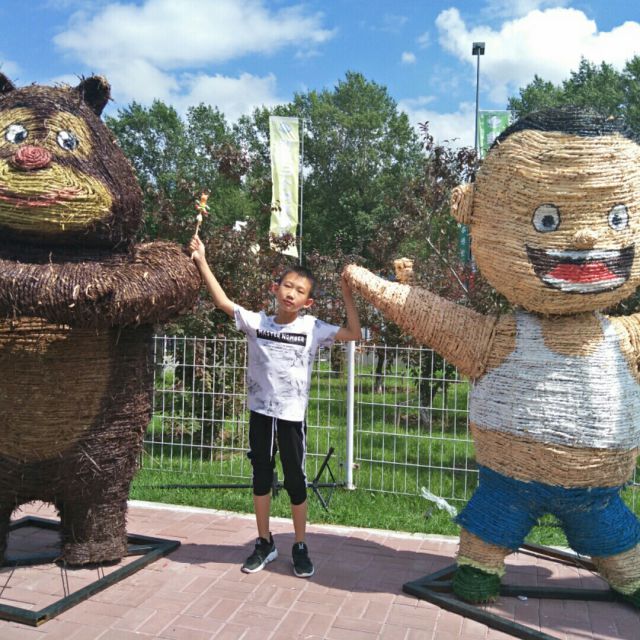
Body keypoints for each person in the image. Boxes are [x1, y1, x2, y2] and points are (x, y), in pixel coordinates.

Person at [189, 235, 361, 578]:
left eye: (299, 291)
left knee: (296, 480)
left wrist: (346, 293)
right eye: (287, 286)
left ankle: (300, 545)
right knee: (261, 478)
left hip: (291, 419)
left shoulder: (312, 328)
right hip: (261, 415)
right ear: (275, 288)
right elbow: (222, 301)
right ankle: (264, 542)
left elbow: (354, 333)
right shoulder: (258, 324)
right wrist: (201, 260)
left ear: (308, 302)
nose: (291, 293)